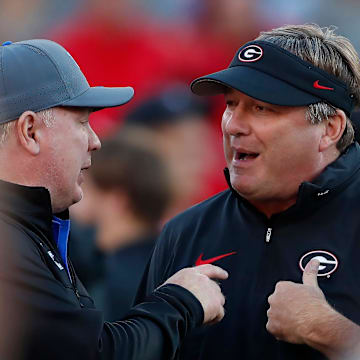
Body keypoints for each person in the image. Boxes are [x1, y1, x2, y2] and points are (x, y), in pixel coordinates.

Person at [135, 24, 360, 360]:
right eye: (231, 104)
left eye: (261, 108)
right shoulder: (186, 232)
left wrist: (329, 330)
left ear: (329, 128)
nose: (232, 125)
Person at [0, 39, 228, 360]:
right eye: (82, 121)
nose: (95, 141)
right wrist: (181, 302)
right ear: (30, 131)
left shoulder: (29, 230)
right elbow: (96, 354)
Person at [69, 129, 172, 321]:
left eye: (84, 186)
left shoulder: (110, 280)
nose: (73, 201)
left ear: (116, 200)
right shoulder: (172, 263)